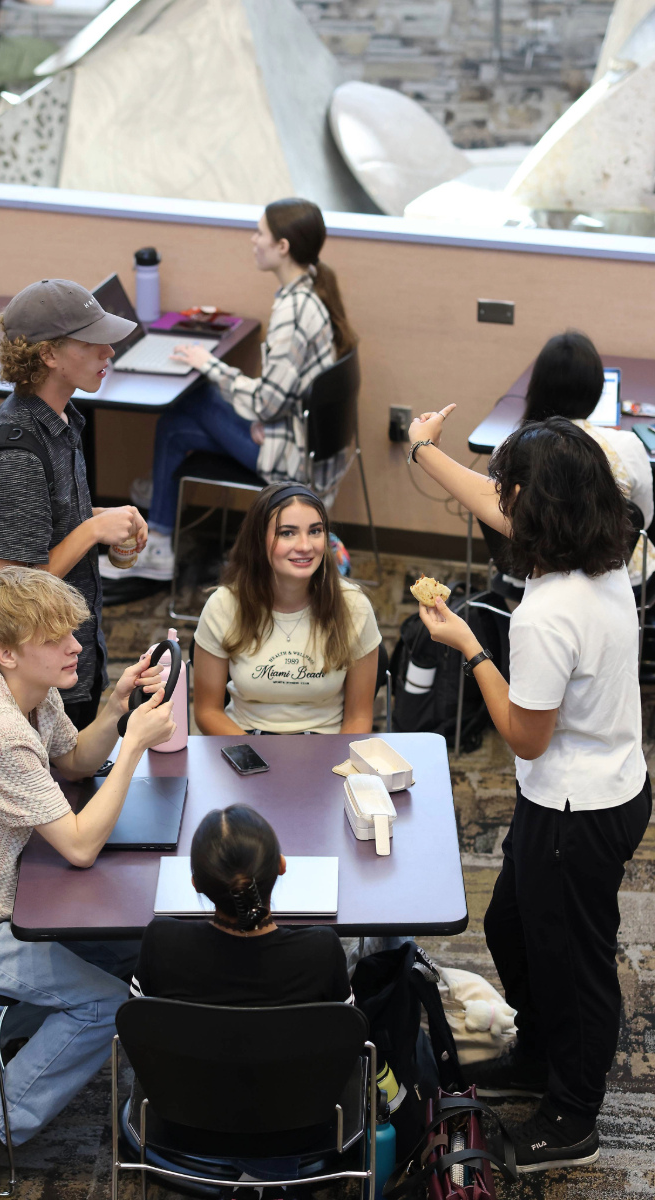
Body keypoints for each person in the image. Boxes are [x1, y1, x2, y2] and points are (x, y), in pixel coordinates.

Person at [405, 408, 651, 1173]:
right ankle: (540, 1056)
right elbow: (489, 495)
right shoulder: (610, 547)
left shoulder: (546, 614)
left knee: (572, 961)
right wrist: (421, 449)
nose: (498, 500)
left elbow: (525, 735)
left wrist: (470, 645)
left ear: (531, 508)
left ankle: (574, 1115)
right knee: (513, 927)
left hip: (575, 811)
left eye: (509, 490)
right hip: (601, 787)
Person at [0, 567, 175, 1200]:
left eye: (72, 632)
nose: (75, 647)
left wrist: (113, 710)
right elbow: (77, 845)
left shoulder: (21, 690)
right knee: (105, 1003)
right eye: (56, 638)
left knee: (131, 953)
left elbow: (71, 760)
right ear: (7, 651)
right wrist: (132, 748)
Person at [124, 197, 358, 582]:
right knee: (174, 424)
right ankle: (160, 532)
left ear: (282, 247)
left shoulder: (293, 312)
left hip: (292, 458)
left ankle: (159, 527)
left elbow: (267, 402)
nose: (253, 240)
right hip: (299, 436)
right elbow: (282, 395)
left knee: (197, 394)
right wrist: (263, 414)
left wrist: (209, 365)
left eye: (260, 234)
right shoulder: (309, 292)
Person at [0, 278, 149, 729]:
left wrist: (98, 518)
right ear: (48, 355)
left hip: (65, 658)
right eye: (92, 343)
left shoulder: (61, 421)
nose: (109, 353)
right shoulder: (18, 456)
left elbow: (44, 526)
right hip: (33, 678)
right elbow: (9, 589)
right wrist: (91, 532)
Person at [192, 483, 381, 735]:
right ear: (259, 541)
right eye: (287, 533)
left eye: (315, 531)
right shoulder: (223, 605)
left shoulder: (354, 607)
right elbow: (207, 712)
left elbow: (358, 718)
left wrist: (337, 767)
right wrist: (256, 760)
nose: (305, 545)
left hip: (326, 748)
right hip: (244, 742)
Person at [131, 804, 353, 1005]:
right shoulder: (322, 952)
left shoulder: (160, 943)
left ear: (196, 883)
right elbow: (346, 1031)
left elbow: (139, 1022)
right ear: (281, 865)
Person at [523, 330, 654, 590]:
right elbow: (642, 520)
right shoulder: (625, 447)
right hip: (614, 578)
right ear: (596, 390)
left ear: (537, 386)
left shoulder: (510, 449)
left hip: (532, 574)